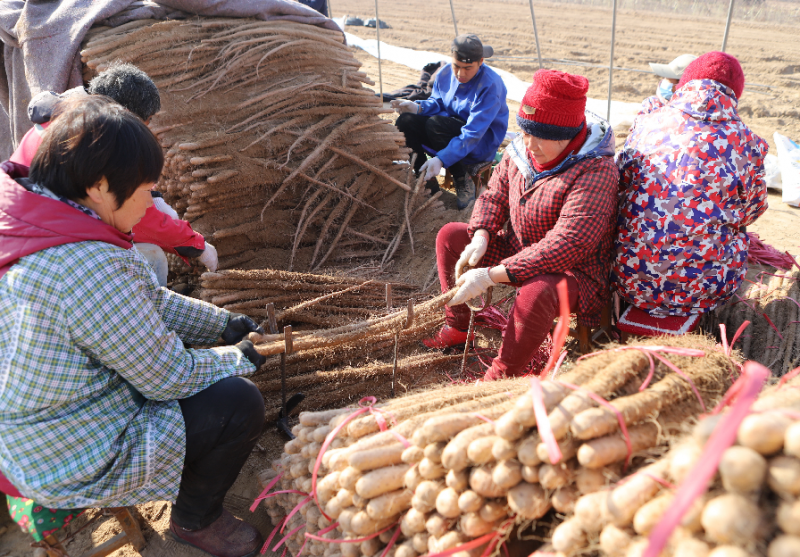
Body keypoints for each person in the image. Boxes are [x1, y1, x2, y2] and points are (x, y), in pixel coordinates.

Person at [0, 96, 267, 557]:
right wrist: (237, 358)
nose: (150, 204)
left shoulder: (46, 216)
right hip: (67, 454)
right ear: (101, 185)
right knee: (237, 402)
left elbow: (144, 298)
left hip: (30, 433)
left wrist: (222, 324)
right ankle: (195, 520)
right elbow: (167, 377)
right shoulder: (84, 265)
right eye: (146, 190)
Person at [422, 70, 619, 380]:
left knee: (536, 289)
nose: (529, 143)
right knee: (451, 236)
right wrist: (482, 236)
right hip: (520, 249)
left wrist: (491, 275)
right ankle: (458, 327)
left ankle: (503, 373)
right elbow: (494, 196)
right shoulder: (521, 153)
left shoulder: (595, 170)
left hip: (573, 274)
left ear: (568, 134)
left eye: (540, 135)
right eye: (525, 131)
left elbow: (568, 243)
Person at [10, 62, 217, 286]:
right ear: (121, 114)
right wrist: (194, 243)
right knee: (150, 257)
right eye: (141, 124)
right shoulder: (90, 139)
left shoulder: (67, 116)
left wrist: (152, 196)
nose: (143, 132)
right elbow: (134, 217)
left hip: (26, 231)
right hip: (43, 248)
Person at [613, 52, 769, 319]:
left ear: (684, 83)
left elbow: (620, 183)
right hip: (702, 290)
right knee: (736, 233)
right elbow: (752, 212)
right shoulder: (747, 144)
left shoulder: (647, 123)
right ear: (735, 95)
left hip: (628, 277)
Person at [391, 34, 509, 210]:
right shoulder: (445, 73)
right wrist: (417, 107)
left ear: (481, 61)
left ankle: (462, 178)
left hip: (480, 141)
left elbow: (473, 132)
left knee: (435, 124)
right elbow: (438, 102)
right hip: (446, 129)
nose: (461, 74)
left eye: (468, 68)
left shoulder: (491, 85)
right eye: (457, 66)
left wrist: (441, 159)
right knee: (405, 121)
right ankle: (425, 177)